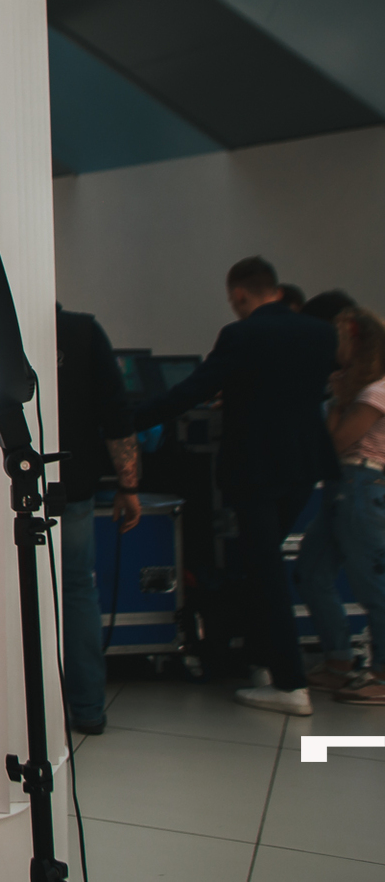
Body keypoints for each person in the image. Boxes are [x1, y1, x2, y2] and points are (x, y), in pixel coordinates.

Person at [131, 256, 337, 716]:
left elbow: (193, 390)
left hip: (256, 470)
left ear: (240, 294)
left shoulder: (240, 335)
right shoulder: (320, 333)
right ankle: (261, 659)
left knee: (265, 570)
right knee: (259, 563)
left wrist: (129, 420)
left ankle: (290, 683)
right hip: (304, 465)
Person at [56, 305, 141, 736]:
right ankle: (88, 708)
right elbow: (116, 413)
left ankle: (19, 712)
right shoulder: (83, 332)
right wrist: (128, 485)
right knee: (77, 589)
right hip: (74, 483)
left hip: (7, 484)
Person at [296, 306, 385, 704]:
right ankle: (338, 661)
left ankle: (382, 674)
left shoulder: (375, 392)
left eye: (339, 339)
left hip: (361, 486)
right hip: (342, 487)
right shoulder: (355, 389)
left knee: (373, 585)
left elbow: (334, 443)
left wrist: (335, 403)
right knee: (311, 572)